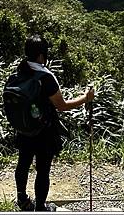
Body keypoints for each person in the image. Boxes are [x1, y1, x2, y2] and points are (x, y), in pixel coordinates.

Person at [14, 34, 95, 212]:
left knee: (23, 163)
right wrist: (85, 98)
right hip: (43, 130)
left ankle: (22, 199)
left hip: (24, 127)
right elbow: (62, 106)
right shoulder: (46, 77)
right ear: (42, 56)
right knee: (42, 169)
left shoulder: (20, 70)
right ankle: (41, 207)